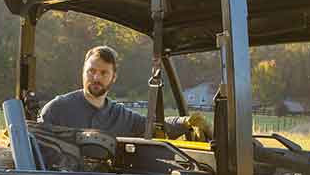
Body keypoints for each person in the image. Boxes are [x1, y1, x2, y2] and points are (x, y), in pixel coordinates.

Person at [38, 45, 211, 140]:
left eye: (104, 73)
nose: (96, 77)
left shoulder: (121, 116)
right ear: (83, 71)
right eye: (91, 71)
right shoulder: (57, 109)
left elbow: (155, 126)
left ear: (114, 77)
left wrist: (185, 121)